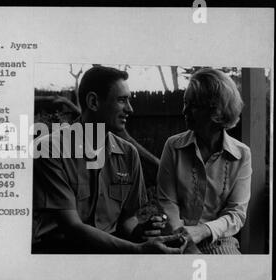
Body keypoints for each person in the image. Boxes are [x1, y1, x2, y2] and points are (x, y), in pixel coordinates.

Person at [32, 66, 185, 254]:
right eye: (122, 100)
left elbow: (127, 221)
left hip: (113, 254)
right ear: (93, 102)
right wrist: (138, 250)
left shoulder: (128, 154)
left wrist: (142, 232)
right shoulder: (49, 149)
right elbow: (71, 227)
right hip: (59, 256)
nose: (130, 109)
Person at [157, 68, 252, 254]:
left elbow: (236, 214)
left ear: (215, 110)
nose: (184, 110)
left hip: (220, 242)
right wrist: (188, 245)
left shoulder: (241, 155)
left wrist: (203, 231)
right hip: (175, 238)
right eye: (185, 103)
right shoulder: (173, 146)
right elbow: (167, 204)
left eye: (193, 105)